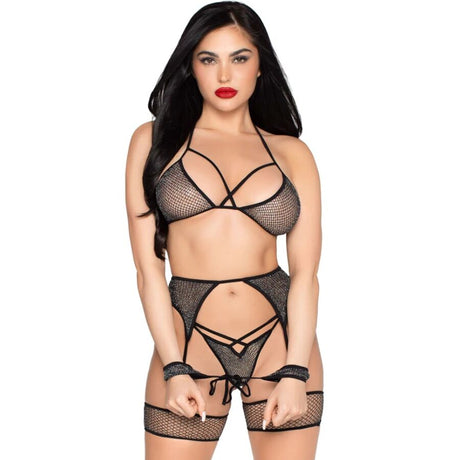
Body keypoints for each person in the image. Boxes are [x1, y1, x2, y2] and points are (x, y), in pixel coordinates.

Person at [125, 2, 324, 459]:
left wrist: (297, 372)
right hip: (187, 341)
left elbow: (306, 274)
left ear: (260, 65)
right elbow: (148, 272)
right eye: (208, 59)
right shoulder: (152, 141)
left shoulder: (293, 153)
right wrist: (173, 366)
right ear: (191, 67)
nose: (224, 75)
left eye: (239, 58)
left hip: (281, 343)